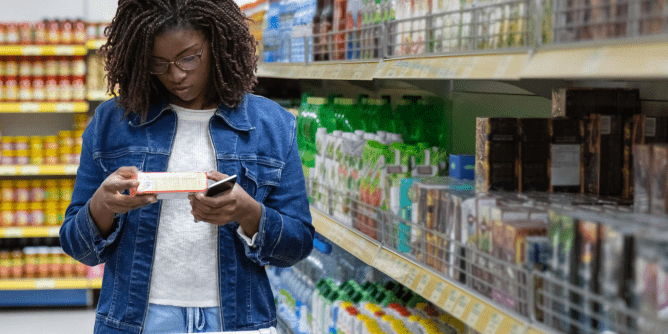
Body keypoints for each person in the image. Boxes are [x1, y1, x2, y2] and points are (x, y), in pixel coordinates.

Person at [59, 0, 314, 333]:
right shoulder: (112, 123)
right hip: (140, 320)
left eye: (189, 57)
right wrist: (101, 207)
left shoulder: (271, 125)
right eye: (158, 62)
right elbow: (77, 247)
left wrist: (248, 212)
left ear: (218, 42)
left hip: (237, 320)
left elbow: (297, 245)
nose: (176, 74)